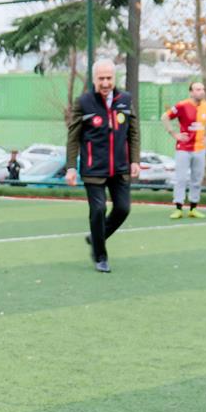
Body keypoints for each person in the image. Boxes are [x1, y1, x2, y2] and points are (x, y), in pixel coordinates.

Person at [64, 59, 140, 273]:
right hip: (93, 168)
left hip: (120, 167)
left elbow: (133, 132)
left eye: (109, 78)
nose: (105, 83)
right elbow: (73, 136)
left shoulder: (125, 99)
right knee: (98, 210)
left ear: (114, 78)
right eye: (101, 79)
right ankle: (100, 256)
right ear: (94, 79)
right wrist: (71, 167)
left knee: (123, 209)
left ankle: (96, 237)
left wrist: (135, 160)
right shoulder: (84, 102)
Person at [163, 80, 206, 219]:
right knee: (180, 178)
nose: (201, 92)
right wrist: (174, 134)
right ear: (191, 92)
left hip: (199, 148)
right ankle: (178, 208)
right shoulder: (182, 105)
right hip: (183, 148)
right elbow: (165, 117)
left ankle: (193, 208)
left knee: (197, 178)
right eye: (197, 89)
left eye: (202, 89)